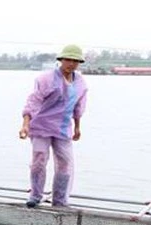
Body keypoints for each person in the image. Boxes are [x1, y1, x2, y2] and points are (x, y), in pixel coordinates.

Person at [19, 44, 88, 208]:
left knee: (65, 163)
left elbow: (79, 106)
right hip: (41, 126)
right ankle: (35, 195)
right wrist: (25, 125)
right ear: (61, 60)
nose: (71, 64)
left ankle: (60, 200)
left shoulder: (80, 83)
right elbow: (33, 102)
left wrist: (77, 126)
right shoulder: (46, 79)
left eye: (75, 61)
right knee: (39, 160)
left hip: (63, 128)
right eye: (68, 60)